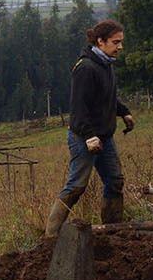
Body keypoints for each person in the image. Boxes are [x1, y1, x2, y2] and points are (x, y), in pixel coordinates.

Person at [44, 19, 136, 237]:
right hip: (83, 137)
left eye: (121, 42)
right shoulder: (85, 68)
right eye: (116, 42)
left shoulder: (105, 64)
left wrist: (123, 112)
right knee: (77, 185)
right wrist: (89, 136)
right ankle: (51, 235)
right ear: (100, 41)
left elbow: (106, 97)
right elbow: (79, 108)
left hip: (104, 136)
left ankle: (112, 231)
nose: (120, 46)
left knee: (115, 181)